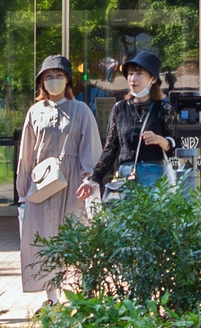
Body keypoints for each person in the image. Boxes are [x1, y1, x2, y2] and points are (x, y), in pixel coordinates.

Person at [12, 54, 102, 301]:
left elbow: (90, 149)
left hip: (71, 183)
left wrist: (89, 180)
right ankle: (52, 298)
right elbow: (26, 154)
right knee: (43, 239)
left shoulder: (81, 110)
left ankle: (77, 296)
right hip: (41, 185)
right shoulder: (35, 112)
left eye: (58, 76)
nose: (53, 81)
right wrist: (23, 191)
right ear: (41, 82)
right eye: (48, 77)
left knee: (72, 237)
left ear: (68, 80)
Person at [103, 49, 184, 192]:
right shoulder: (119, 108)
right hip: (125, 176)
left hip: (154, 175)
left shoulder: (164, 107)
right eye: (130, 73)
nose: (133, 79)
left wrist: (160, 140)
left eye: (139, 73)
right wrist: (93, 179)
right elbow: (110, 149)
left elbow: (177, 146)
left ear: (153, 79)